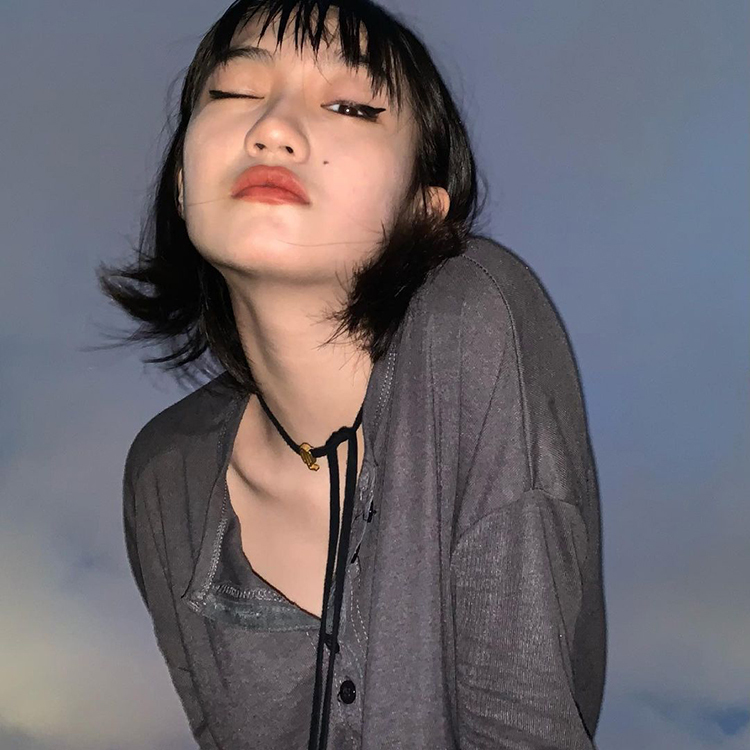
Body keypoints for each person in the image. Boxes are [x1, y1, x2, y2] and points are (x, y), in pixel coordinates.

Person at [97, 1, 607, 748]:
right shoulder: (164, 472)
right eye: (235, 91)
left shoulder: (474, 312)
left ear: (425, 212)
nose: (272, 128)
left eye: (351, 107)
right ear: (180, 181)